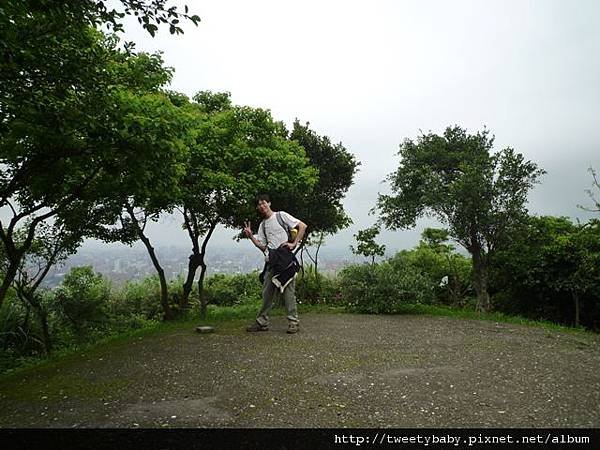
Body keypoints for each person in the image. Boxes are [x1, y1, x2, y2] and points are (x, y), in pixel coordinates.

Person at [243, 194, 307, 334]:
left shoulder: (280, 216)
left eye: (264, 203)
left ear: (269, 203)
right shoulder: (263, 225)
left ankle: (293, 322)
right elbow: (264, 247)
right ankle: (262, 322)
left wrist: (294, 243)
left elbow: (302, 226)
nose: (262, 206)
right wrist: (251, 237)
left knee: (288, 293)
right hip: (272, 262)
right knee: (267, 293)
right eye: (259, 204)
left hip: (285, 261)